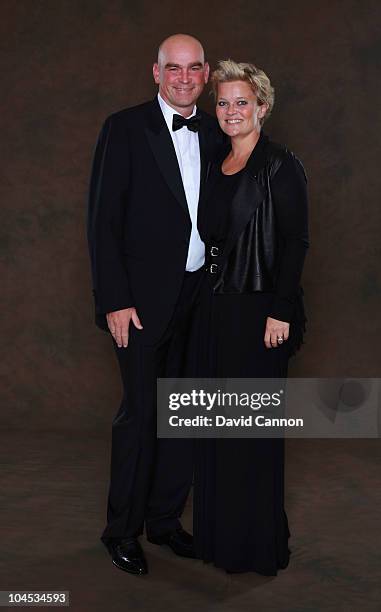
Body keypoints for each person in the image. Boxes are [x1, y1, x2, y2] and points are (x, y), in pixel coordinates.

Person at [87, 34, 225, 575]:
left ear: (207, 73)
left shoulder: (217, 131)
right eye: (174, 68)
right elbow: (102, 222)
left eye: (194, 68)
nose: (184, 77)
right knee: (142, 415)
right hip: (141, 304)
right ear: (156, 72)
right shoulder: (124, 128)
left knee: (185, 414)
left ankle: (165, 522)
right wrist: (115, 301)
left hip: (201, 297)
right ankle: (121, 530)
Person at [193, 60, 309, 575]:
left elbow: (294, 242)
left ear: (262, 107)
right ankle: (220, 541)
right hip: (215, 310)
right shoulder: (215, 161)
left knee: (251, 431)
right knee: (219, 429)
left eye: (242, 102)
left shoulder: (281, 164)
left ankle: (256, 546)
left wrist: (281, 312)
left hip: (260, 313)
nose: (231, 111)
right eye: (223, 102)